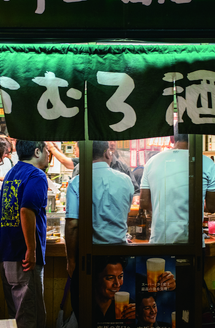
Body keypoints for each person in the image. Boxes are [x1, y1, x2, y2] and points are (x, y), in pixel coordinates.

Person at [65, 141, 135, 318]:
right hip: (119, 255)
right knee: (117, 314)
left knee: (88, 311)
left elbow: (73, 225)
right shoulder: (126, 180)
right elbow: (124, 214)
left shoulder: (77, 182)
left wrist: (71, 261)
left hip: (90, 257)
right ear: (107, 153)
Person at [0, 140, 49, 328]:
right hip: (23, 258)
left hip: (7, 254)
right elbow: (26, 210)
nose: (48, 155)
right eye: (46, 150)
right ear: (37, 152)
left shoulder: (12, 173)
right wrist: (32, 249)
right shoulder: (36, 175)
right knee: (30, 319)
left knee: (17, 317)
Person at [139, 133, 190, 244]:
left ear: (171, 139)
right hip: (192, 242)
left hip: (160, 238)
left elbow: (143, 203)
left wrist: (161, 207)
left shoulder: (151, 162)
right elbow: (211, 207)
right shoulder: (205, 162)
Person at [93, 256, 136, 323]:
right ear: (95, 279)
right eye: (110, 278)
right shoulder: (85, 306)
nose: (118, 284)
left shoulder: (129, 306)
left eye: (120, 277)